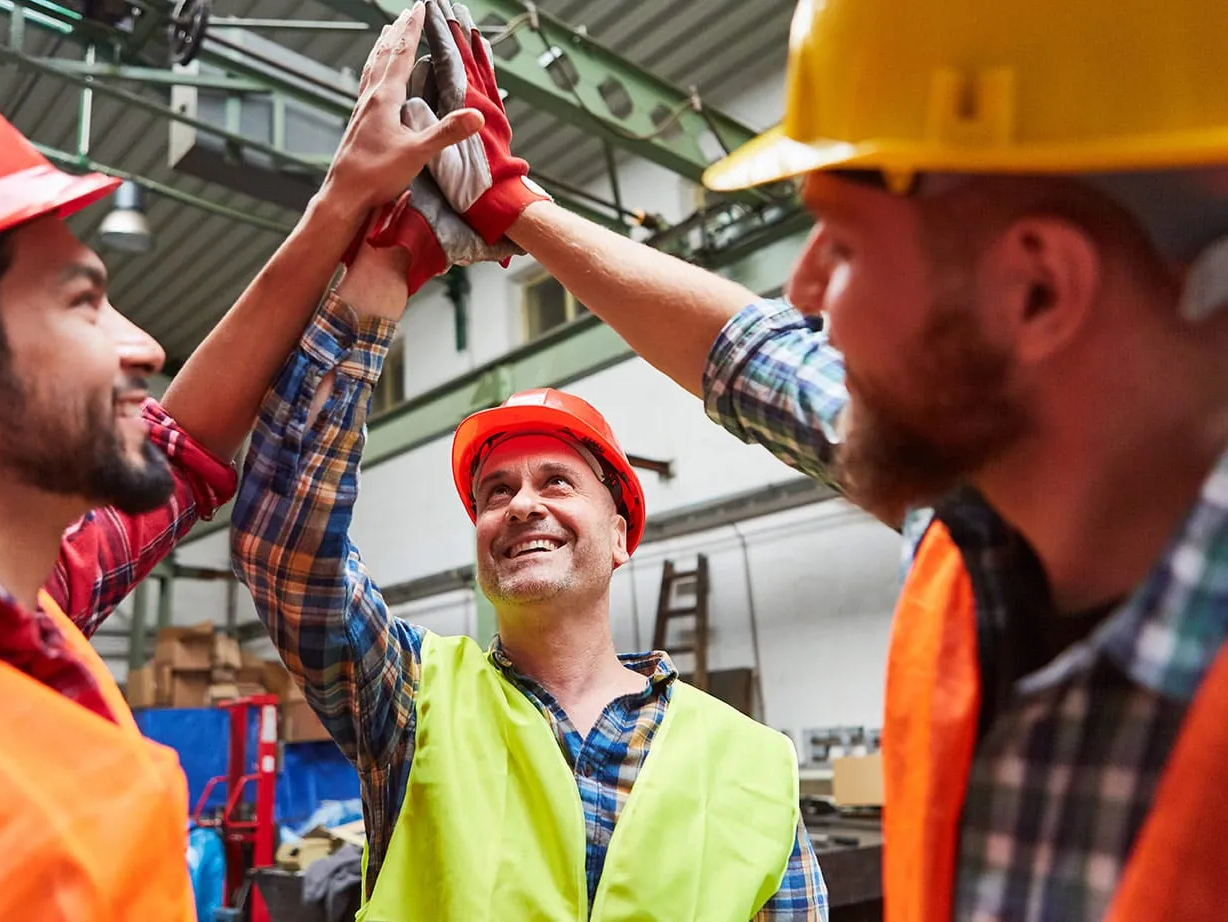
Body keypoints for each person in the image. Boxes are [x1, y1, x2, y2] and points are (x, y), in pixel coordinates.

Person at [405, 0, 1228, 919]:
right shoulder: (984, 512)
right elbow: (746, 355)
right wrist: (515, 207)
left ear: (1036, 289)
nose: (804, 294)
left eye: (841, 242)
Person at [0, 10, 484, 917]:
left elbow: (181, 455)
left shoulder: (24, 608)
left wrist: (359, 226)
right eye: (83, 304)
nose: (144, 346)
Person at [229, 25, 826, 920]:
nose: (521, 506)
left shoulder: (754, 765)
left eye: (557, 482)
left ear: (624, 534)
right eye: (495, 492)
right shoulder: (411, 701)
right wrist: (384, 269)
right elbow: (285, 543)